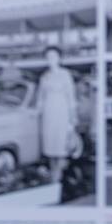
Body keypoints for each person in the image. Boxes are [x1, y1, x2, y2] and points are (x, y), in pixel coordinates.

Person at [35, 47, 78, 186]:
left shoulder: (65, 75)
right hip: (48, 115)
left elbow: (71, 99)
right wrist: (36, 112)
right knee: (50, 148)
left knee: (61, 147)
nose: (51, 60)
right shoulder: (44, 77)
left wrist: (72, 120)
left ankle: (57, 180)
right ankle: (54, 177)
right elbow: (40, 99)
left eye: (53, 56)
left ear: (59, 58)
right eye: (48, 57)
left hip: (62, 113)